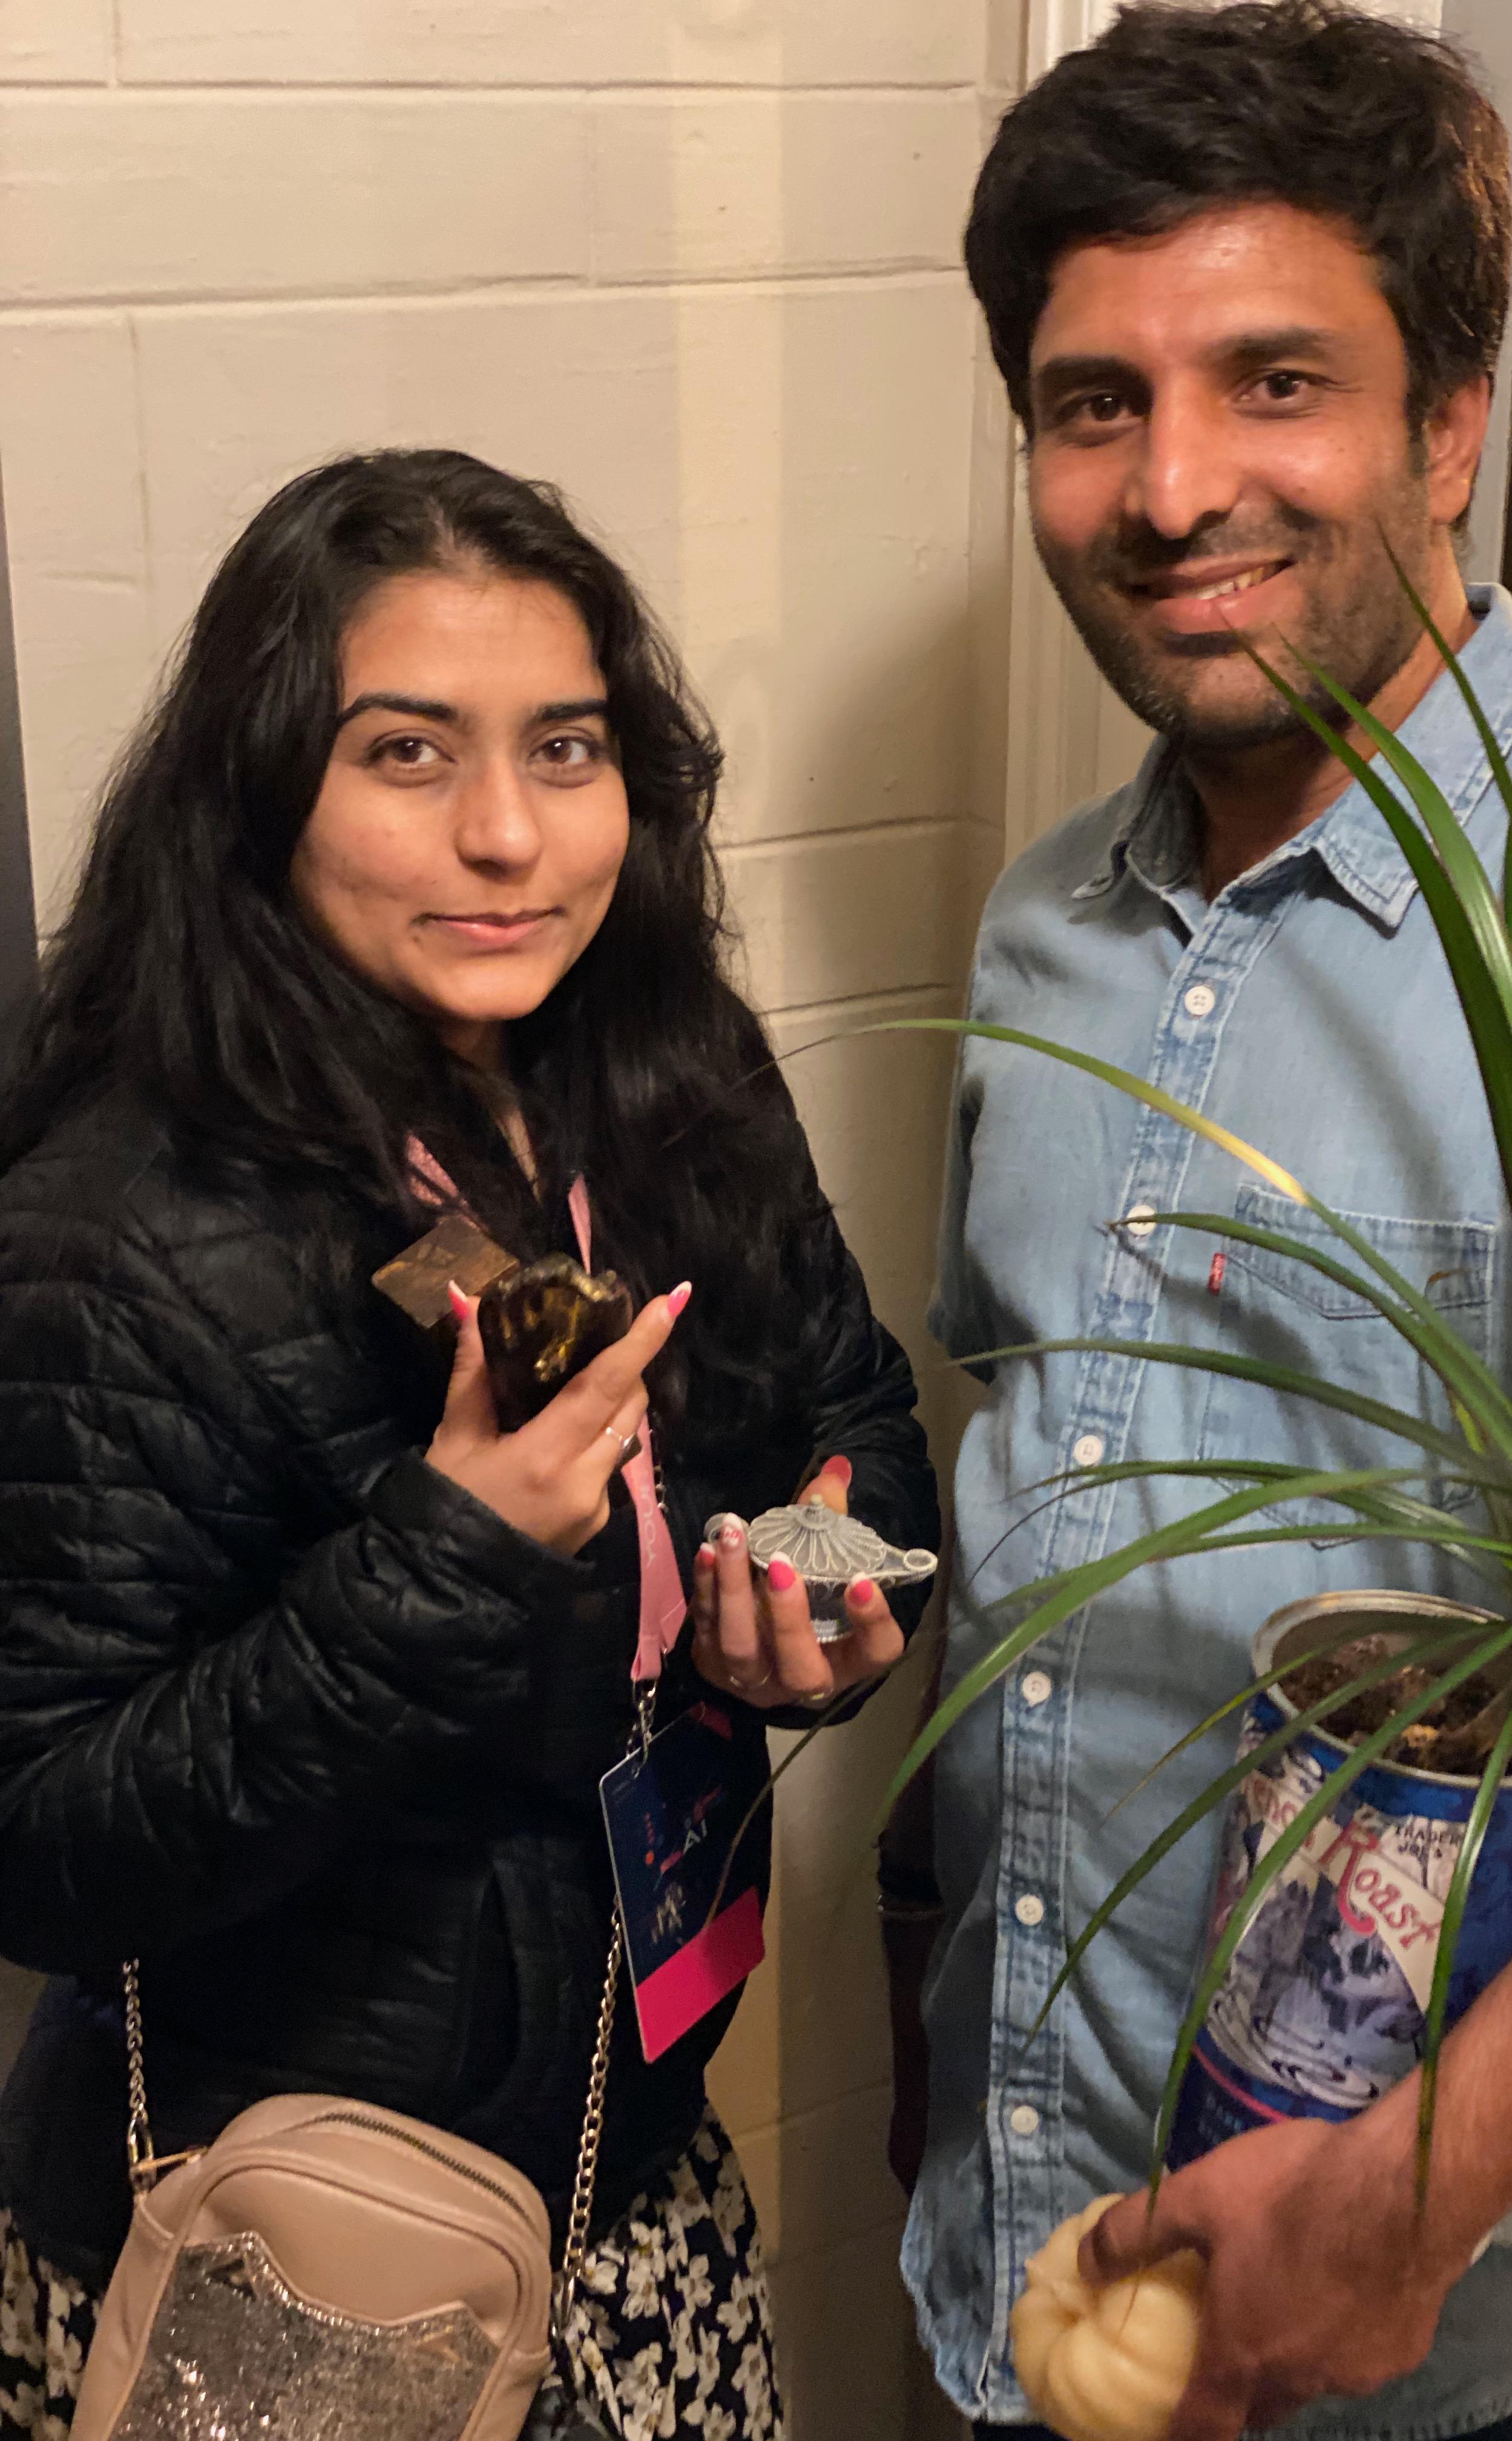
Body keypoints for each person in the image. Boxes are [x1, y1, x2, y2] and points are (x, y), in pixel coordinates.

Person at [893, 6, 1512, 2438]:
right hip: (1032, 2278)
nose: (1172, 481)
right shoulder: (1042, 938)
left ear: (1449, 424)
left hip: (1479, 2359)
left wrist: (1419, 2185)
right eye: (1094, 400)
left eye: (1273, 376)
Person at [0, 447, 939, 2439]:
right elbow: (45, 1852)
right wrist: (445, 1548)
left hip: (622, 2168)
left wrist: (828, 1570)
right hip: (286, 2257)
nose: (509, 835)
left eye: (568, 749)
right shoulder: (124, 1222)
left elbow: (844, 1401)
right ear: (265, 793)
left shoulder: (671, 1079)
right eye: (408, 755)